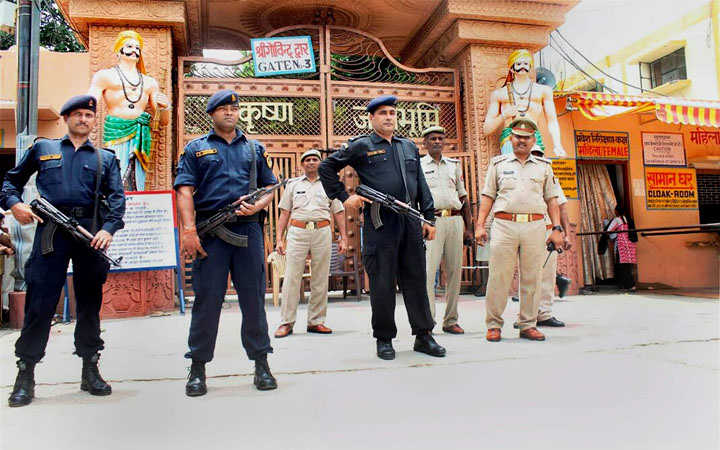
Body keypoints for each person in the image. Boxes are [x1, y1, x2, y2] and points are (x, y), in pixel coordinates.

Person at [2, 95, 126, 407]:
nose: (84, 119)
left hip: (89, 234)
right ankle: (25, 373)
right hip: (51, 233)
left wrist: (107, 230)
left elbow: (117, 200)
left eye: (89, 115)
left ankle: (89, 368)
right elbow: (10, 183)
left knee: (88, 304)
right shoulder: (44, 149)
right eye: (78, 114)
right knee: (40, 303)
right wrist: (15, 205)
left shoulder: (105, 158)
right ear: (66, 117)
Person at [319, 95, 446, 360]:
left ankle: (423, 335)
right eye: (382, 113)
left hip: (410, 221)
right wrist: (345, 197)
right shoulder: (361, 145)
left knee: (416, 281)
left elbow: (420, 183)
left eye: (392, 112)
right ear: (372, 118)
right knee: (382, 282)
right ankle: (384, 339)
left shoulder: (408, 147)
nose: (389, 117)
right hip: (380, 223)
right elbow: (327, 167)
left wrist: (429, 218)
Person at [175, 89, 277, 396]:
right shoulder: (196, 148)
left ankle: (261, 363)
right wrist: (189, 231)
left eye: (234, 109)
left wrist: (259, 205)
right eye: (222, 109)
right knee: (207, 301)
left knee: (253, 300)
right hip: (210, 233)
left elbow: (270, 186)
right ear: (212, 114)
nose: (229, 113)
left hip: (248, 231)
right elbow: (184, 190)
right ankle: (197, 367)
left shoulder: (254, 149)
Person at [475, 117, 564, 342]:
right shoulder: (498, 164)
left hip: (535, 226)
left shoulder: (544, 167)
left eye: (526, 138)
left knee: (533, 276)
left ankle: (528, 324)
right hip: (504, 225)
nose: (521, 141)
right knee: (499, 277)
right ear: (510, 138)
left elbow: (552, 200)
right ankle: (494, 325)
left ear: (533, 140)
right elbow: (487, 196)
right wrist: (479, 225)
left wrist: (557, 228)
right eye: (517, 137)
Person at [274, 149, 348, 338]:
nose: (311, 162)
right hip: (297, 232)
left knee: (320, 277)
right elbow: (284, 212)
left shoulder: (329, 185)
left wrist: (344, 237)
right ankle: (286, 322)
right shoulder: (293, 185)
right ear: (302, 164)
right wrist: (279, 239)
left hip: (322, 231)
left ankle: (316, 321)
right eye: (307, 160)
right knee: (291, 277)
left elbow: (338, 212)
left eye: (315, 159)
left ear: (320, 163)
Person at [88, 30, 171, 191]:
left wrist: (166, 106)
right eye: (129, 46)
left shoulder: (149, 82)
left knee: (137, 178)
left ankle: (136, 209)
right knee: (115, 173)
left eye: (137, 48)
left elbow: (163, 120)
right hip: (116, 131)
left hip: (141, 133)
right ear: (118, 49)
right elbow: (90, 102)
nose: (134, 50)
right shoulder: (104, 76)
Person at [420, 126, 473, 334]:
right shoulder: (418, 166)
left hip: (454, 220)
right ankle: (428, 321)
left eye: (440, 138)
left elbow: (463, 197)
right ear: (425, 143)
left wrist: (469, 228)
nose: (437, 142)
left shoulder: (454, 165)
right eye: (432, 138)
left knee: (454, 272)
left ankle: (451, 320)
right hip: (431, 221)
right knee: (428, 273)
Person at [513, 146, 572, 328]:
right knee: (527, 274)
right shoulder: (518, 179)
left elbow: (562, 207)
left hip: (548, 231)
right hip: (526, 230)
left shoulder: (551, 180)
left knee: (547, 274)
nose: (537, 159)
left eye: (540, 156)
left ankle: (544, 314)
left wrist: (566, 234)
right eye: (534, 156)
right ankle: (525, 316)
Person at [483, 49, 566, 157]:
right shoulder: (500, 94)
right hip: (510, 137)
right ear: (511, 68)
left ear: (530, 67)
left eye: (526, 63)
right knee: (511, 170)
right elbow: (486, 129)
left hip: (533, 136)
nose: (523, 66)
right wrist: (504, 115)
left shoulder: (543, 91)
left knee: (536, 170)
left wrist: (557, 145)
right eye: (518, 63)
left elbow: (552, 121)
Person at [608, 205, 637, 291]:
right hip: (630, 244)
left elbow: (609, 230)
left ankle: (624, 285)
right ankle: (631, 285)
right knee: (628, 266)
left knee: (621, 265)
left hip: (621, 244)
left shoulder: (617, 220)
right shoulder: (629, 220)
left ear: (616, 211)